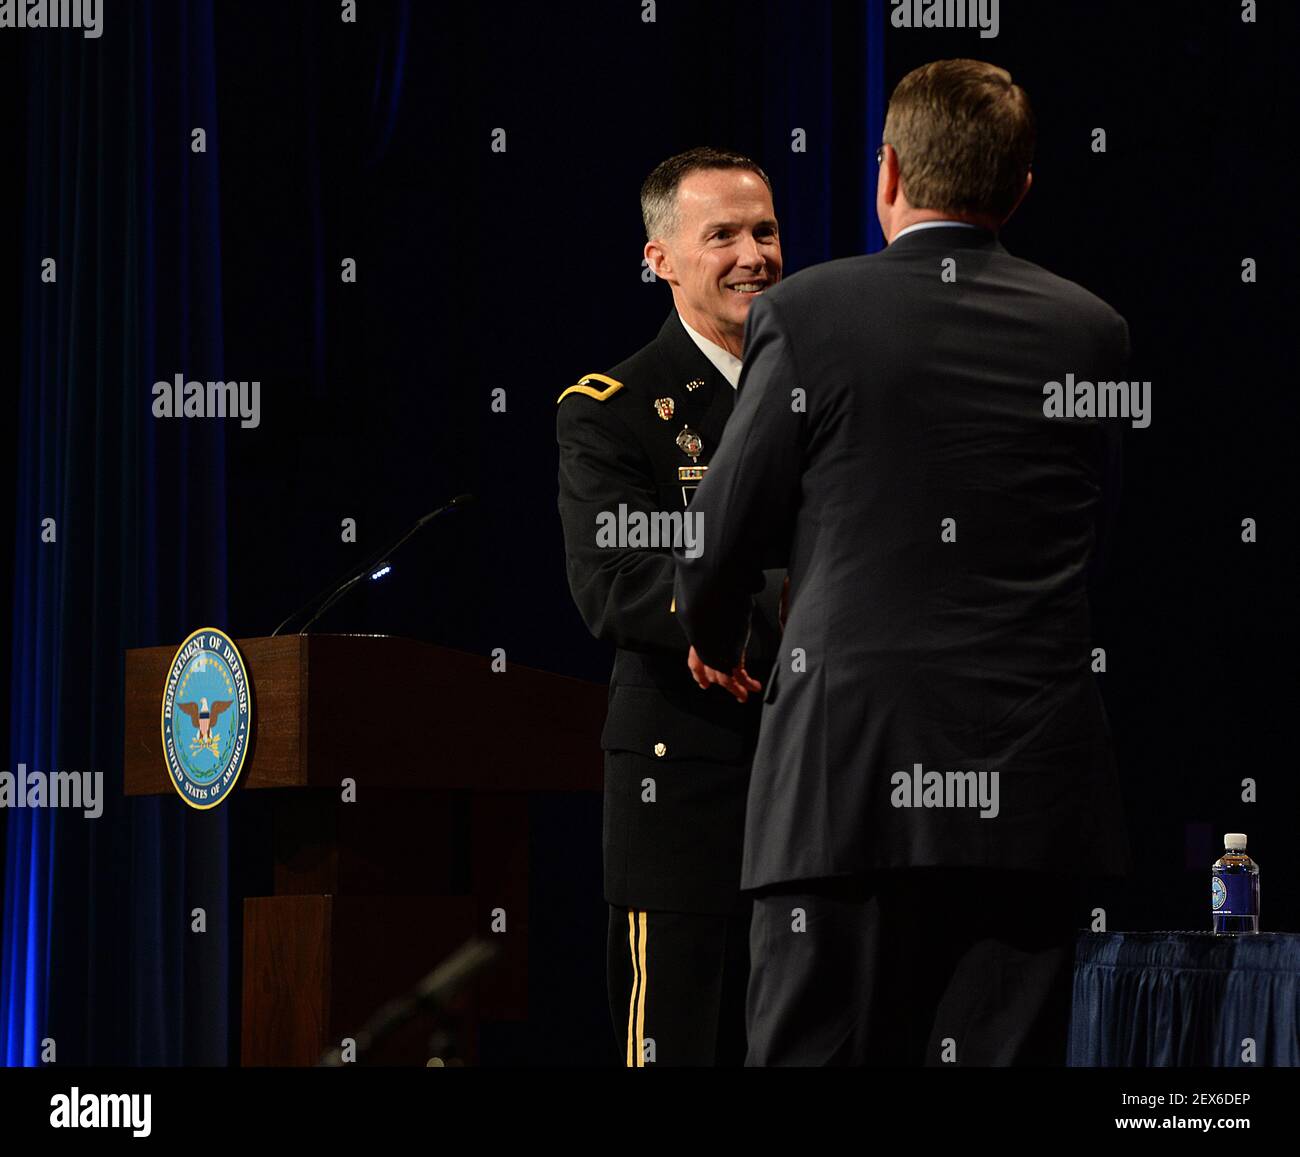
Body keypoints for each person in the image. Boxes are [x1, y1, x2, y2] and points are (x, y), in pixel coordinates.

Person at [673, 60, 1130, 1066]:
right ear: (1019, 188)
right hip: (1027, 796)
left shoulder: (809, 313)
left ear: (885, 173)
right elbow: (1102, 543)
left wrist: (714, 633)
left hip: (843, 788)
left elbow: (716, 536)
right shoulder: (1093, 332)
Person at [556, 146, 784, 1066]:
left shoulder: (821, 385)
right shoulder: (612, 408)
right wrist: (728, 620)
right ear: (660, 259)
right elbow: (617, 580)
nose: (753, 256)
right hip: (685, 791)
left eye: (765, 231)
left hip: (815, 781)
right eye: (722, 235)